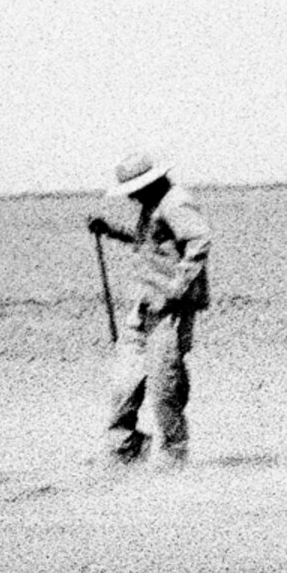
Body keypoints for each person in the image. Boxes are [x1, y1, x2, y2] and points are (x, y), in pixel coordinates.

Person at [86, 151, 211, 466]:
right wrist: (112, 231)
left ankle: (174, 457)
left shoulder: (175, 202)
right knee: (123, 382)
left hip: (170, 311)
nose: (130, 196)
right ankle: (125, 449)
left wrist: (175, 290)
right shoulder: (152, 205)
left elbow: (199, 242)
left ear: (151, 182)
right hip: (143, 307)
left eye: (134, 189)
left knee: (163, 386)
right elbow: (151, 243)